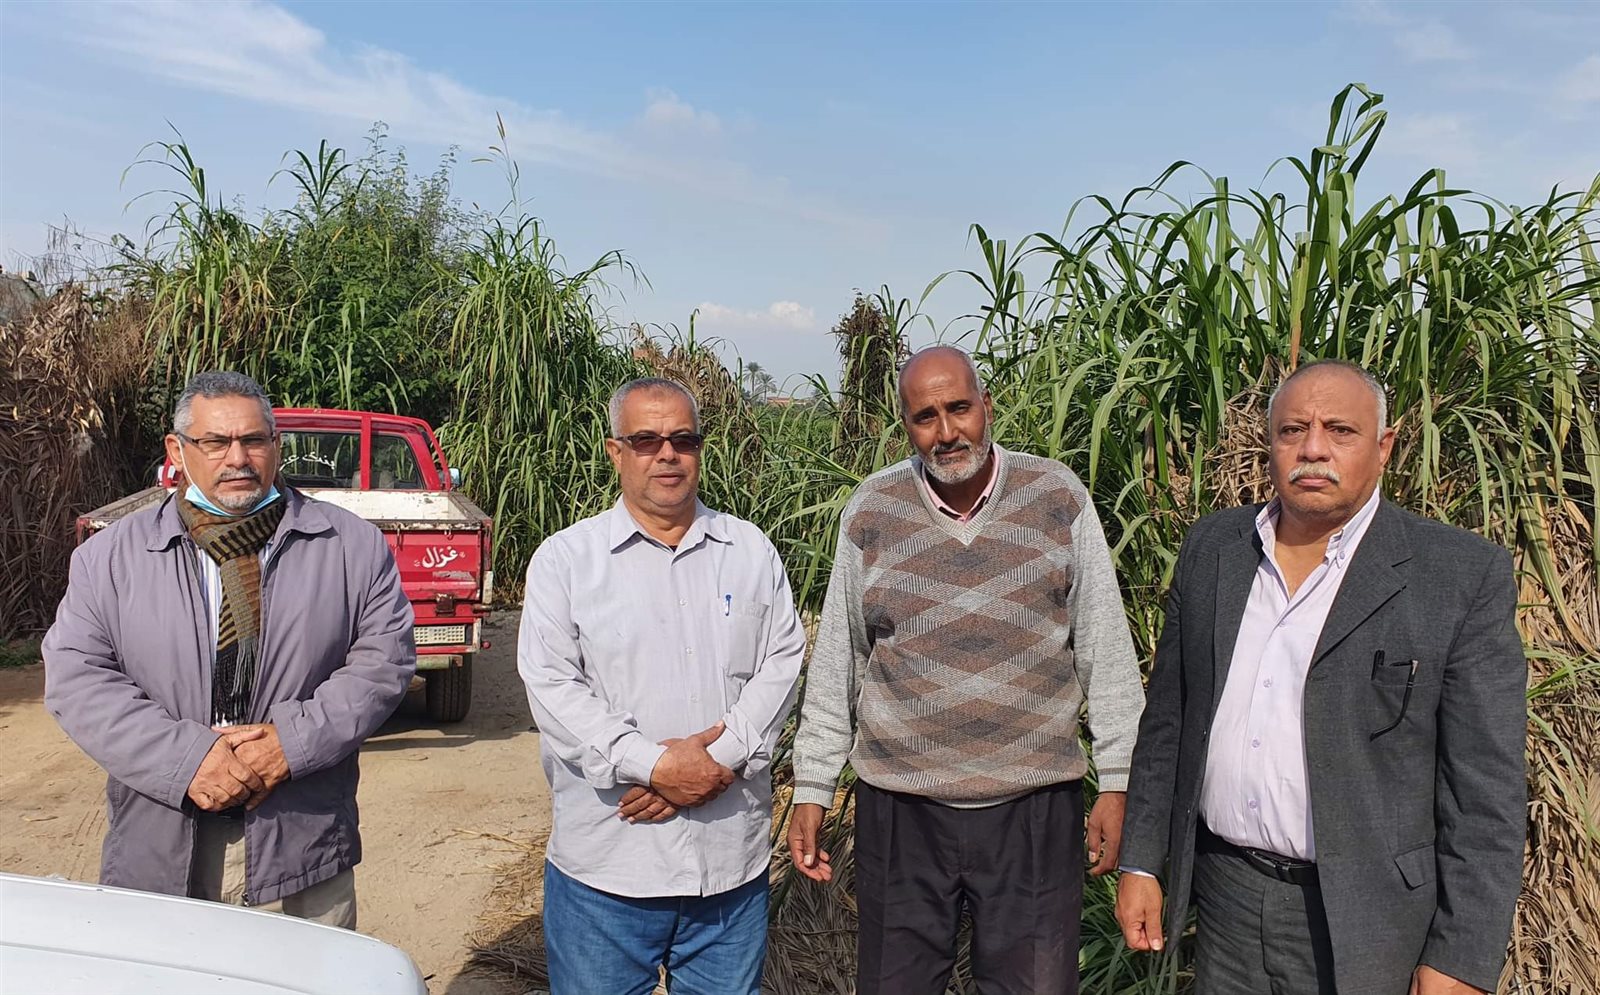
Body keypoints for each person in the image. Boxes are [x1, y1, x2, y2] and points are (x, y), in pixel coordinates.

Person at [1115, 359, 1527, 995]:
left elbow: (1485, 794)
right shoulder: (1215, 548)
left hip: (1367, 919)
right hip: (1226, 901)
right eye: (1292, 431)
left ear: (1383, 447)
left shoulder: (1457, 576)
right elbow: (1169, 718)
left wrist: (1461, 960)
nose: (1312, 449)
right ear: (1270, 443)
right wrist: (1142, 861)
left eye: (1340, 430)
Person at [788, 346, 1146, 994]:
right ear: (906, 426)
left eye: (959, 408)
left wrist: (1119, 782)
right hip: (901, 810)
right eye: (925, 417)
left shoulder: (1056, 497)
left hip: (1033, 809)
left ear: (987, 406)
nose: (947, 431)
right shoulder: (872, 510)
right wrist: (812, 786)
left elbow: (1107, 653)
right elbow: (840, 661)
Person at [43, 370, 415, 927]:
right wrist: (186, 759)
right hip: (160, 843)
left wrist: (291, 744)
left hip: (302, 843)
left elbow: (383, 663)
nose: (238, 458)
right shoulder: (111, 558)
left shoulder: (350, 545)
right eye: (215, 442)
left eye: (254, 440)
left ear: (277, 445)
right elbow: (77, 679)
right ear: (178, 451)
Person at [518, 377, 805, 995]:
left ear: (700, 448)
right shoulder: (566, 561)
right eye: (646, 440)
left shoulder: (750, 551)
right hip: (609, 870)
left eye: (683, 439)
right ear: (615, 452)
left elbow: (782, 661)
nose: (667, 454)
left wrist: (715, 761)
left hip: (728, 868)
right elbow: (553, 688)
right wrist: (653, 766)